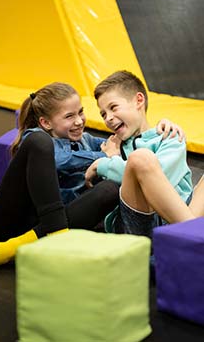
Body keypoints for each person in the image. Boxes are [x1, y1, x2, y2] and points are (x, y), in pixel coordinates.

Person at [0, 81, 185, 271]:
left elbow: (125, 148)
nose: (79, 121)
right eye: (69, 116)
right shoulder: (35, 138)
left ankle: (23, 247)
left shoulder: (85, 140)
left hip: (43, 230)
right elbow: (62, 159)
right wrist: (100, 158)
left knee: (110, 189)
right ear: (46, 122)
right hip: (9, 221)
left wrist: (159, 128)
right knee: (42, 145)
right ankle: (54, 234)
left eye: (81, 112)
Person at [85, 70, 204, 238]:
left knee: (141, 158)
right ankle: (193, 234)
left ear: (139, 100)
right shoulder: (111, 147)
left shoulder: (167, 136)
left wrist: (106, 164)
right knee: (140, 158)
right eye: (103, 114)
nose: (108, 118)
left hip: (181, 211)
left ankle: (188, 233)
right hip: (140, 221)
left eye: (113, 107)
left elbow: (162, 178)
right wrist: (110, 159)